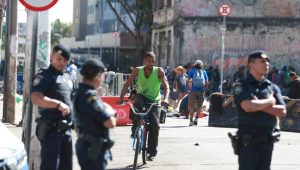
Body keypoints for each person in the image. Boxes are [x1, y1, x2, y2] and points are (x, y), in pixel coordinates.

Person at [232, 50, 286, 170]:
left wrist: (259, 105)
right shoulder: (241, 85)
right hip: (247, 144)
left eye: (267, 61)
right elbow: (248, 106)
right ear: (251, 65)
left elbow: (282, 111)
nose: (266, 64)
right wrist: (270, 102)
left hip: (267, 143)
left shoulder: (272, 87)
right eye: (262, 61)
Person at [117, 52, 169, 161]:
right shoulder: (137, 70)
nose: (151, 63)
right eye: (149, 61)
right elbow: (127, 84)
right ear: (145, 60)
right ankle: (135, 127)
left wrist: (166, 98)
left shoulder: (159, 71)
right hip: (141, 95)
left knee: (155, 124)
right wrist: (121, 97)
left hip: (154, 100)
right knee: (137, 103)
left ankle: (152, 153)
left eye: (153, 61)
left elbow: (166, 86)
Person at [31, 44, 74, 170]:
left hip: (66, 132)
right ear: (51, 57)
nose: (62, 62)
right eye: (59, 58)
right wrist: (58, 104)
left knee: (67, 167)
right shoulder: (43, 76)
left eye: (65, 60)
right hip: (51, 132)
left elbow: (73, 102)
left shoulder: (67, 78)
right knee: (50, 167)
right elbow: (36, 98)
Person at [72, 59, 117, 170]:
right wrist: (112, 111)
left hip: (85, 145)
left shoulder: (78, 93)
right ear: (98, 77)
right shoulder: (91, 97)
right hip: (93, 150)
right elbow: (110, 123)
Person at [186, 60, 209, 126]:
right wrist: (204, 89)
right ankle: (196, 119)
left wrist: (189, 83)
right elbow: (207, 82)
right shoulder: (204, 72)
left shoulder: (192, 71)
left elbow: (187, 80)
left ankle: (191, 121)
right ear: (201, 66)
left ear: (195, 65)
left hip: (193, 90)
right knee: (199, 106)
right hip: (201, 91)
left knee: (191, 107)